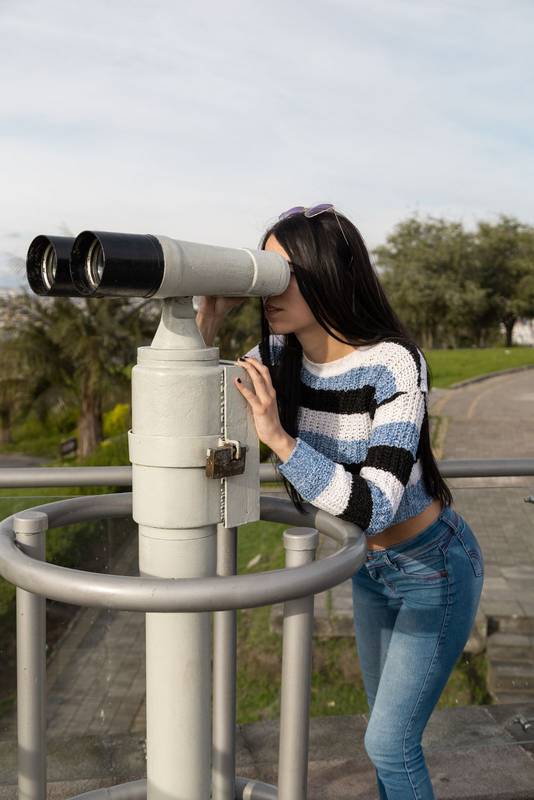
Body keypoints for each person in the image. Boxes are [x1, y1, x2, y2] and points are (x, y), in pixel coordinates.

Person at [196, 204, 484, 800]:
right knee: (387, 740)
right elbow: (197, 413)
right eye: (264, 269)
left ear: (327, 273)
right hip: (368, 568)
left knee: (387, 742)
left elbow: (376, 505)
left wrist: (280, 438)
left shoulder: (394, 363)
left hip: (433, 568)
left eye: (284, 271)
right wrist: (205, 323)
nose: (271, 285)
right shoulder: (279, 356)